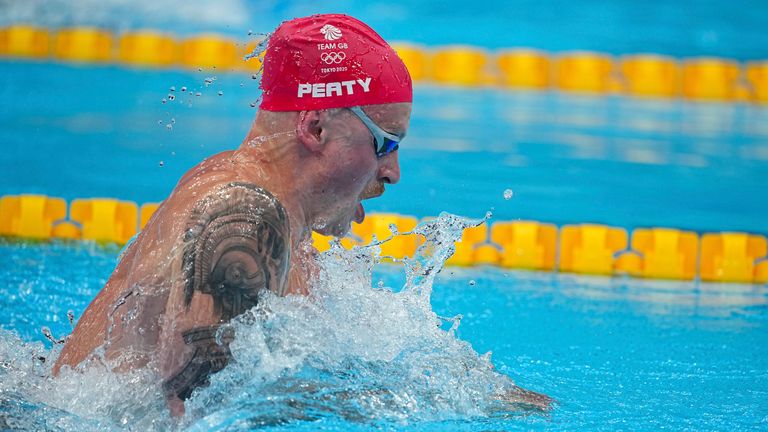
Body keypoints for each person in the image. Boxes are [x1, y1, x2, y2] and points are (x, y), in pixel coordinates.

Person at [52, 14, 413, 416]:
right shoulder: (245, 218)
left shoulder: (280, 219)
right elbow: (191, 415)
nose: (392, 172)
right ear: (315, 128)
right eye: (385, 145)